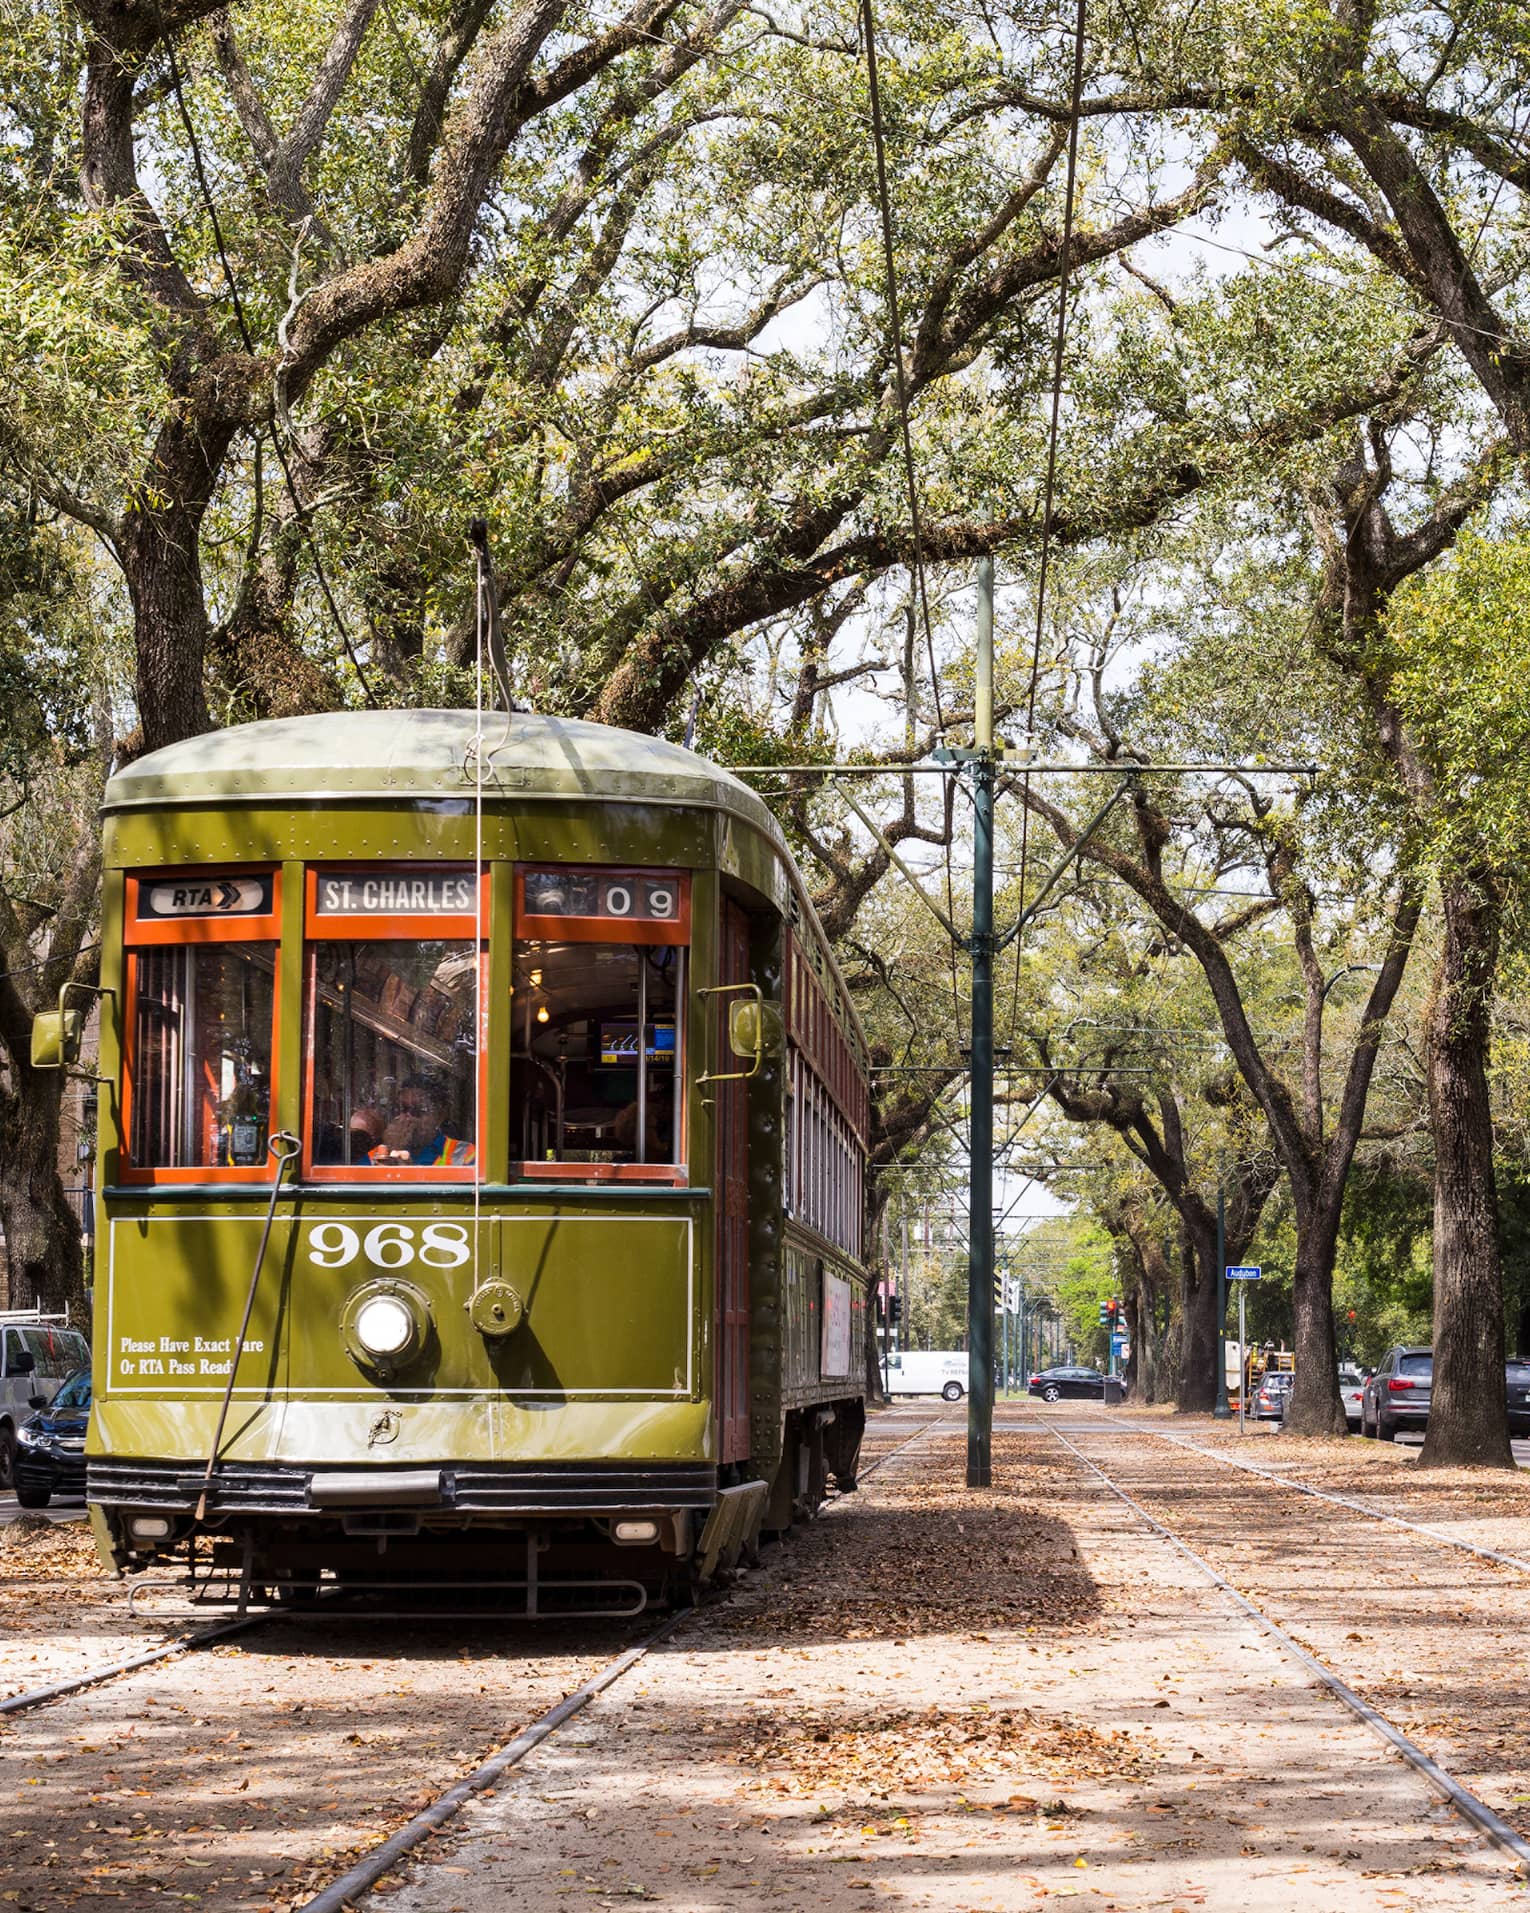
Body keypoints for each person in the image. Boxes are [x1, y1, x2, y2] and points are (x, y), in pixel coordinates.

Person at [370, 1075, 475, 1166]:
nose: (408, 1117)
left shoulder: (466, 1154)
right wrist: (391, 1149)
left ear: (440, 1115)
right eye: (403, 1109)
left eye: (417, 1110)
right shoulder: (376, 1155)